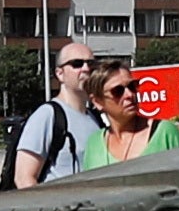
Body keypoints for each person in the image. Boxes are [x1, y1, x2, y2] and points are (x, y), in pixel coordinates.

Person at [8, 45, 108, 187]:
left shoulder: (96, 118)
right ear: (60, 74)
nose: (86, 69)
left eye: (91, 64)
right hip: (59, 208)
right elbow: (24, 178)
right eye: (77, 64)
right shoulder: (47, 115)